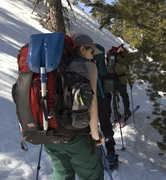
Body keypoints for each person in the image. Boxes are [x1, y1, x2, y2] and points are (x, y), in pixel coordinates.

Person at [45, 33, 105, 180]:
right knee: (91, 175)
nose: (92, 57)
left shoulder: (51, 66)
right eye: (91, 52)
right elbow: (92, 104)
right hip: (79, 136)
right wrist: (96, 135)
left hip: (51, 135)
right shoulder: (87, 66)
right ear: (83, 49)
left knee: (62, 176)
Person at [93, 43, 119, 170]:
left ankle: (93, 151)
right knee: (105, 124)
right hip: (102, 97)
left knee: (90, 126)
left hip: (87, 99)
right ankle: (111, 152)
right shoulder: (101, 65)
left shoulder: (82, 62)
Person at [106, 45, 133, 123]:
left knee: (115, 95)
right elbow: (127, 71)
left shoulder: (111, 55)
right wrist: (130, 82)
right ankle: (127, 111)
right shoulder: (122, 57)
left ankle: (116, 114)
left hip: (111, 79)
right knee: (124, 95)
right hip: (121, 79)